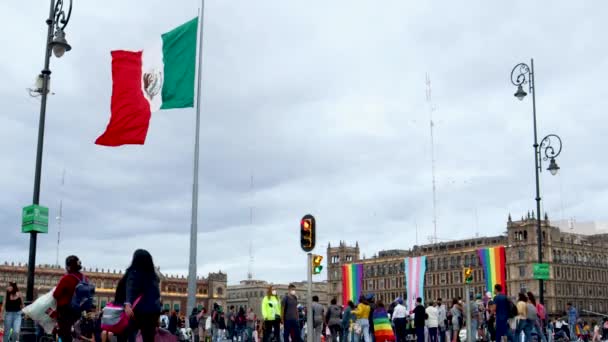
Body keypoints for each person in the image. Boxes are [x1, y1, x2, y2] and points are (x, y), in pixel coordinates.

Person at [123, 249, 162, 342]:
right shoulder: (153, 275)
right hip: (152, 311)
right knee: (148, 338)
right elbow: (157, 295)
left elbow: (130, 288)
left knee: (131, 335)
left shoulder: (134, 272)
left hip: (137, 310)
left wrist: (128, 304)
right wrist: (157, 315)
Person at [54, 255, 89, 342]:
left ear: (68, 266)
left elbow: (56, 294)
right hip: (78, 311)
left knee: (65, 334)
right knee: (74, 333)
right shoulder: (84, 278)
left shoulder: (67, 278)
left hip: (65, 311)